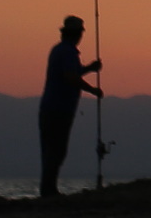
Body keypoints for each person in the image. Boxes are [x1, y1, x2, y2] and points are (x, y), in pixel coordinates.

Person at [39, 15, 103, 198]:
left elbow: (71, 73)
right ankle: (48, 191)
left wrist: (89, 68)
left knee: (53, 150)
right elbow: (70, 77)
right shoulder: (67, 52)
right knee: (56, 150)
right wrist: (93, 90)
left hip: (54, 108)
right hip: (58, 109)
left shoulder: (61, 51)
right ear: (76, 35)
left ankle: (49, 189)